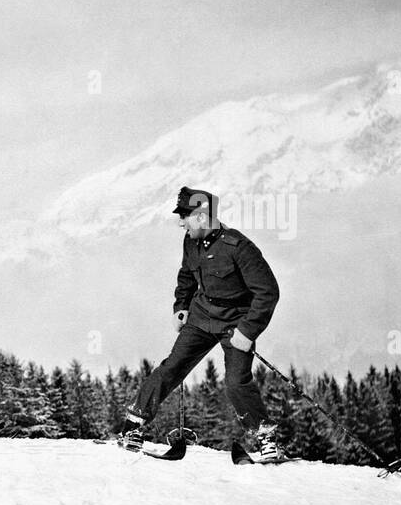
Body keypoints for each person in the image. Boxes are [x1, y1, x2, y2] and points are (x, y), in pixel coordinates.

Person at [118, 186, 283, 459]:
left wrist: (248, 330)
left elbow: (268, 292)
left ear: (203, 217)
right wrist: (181, 306)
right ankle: (132, 426)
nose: (181, 222)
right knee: (172, 367)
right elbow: (186, 275)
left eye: (185, 215)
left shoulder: (239, 247)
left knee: (235, 382)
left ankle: (268, 440)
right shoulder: (190, 241)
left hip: (235, 323)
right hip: (201, 316)